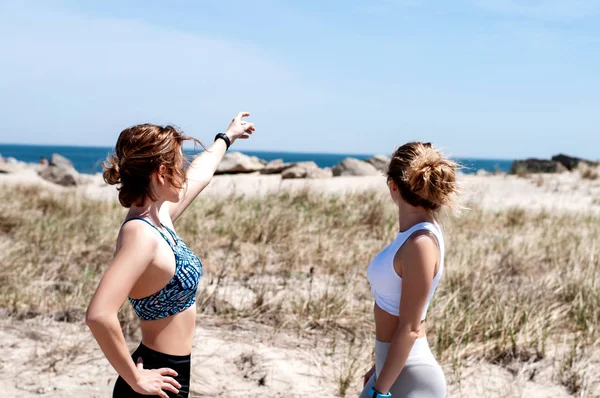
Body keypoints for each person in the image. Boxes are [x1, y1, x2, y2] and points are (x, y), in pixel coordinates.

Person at [85, 112, 255, 398]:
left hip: (171, 375)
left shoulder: (159, 216)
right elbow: (99, 315)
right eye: (179, 166)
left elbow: (200, 175)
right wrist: (135, 379)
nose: (184, 173)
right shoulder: (140, 236)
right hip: (153, 380)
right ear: (162, 173)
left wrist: (226, 137)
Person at [360, 142, 458, 398]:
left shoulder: (421, 243)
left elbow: (411, 327)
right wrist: (378, 368)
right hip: (393, 370)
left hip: (412, 377)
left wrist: (379, 391)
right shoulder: (413, 236)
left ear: (393, 185)